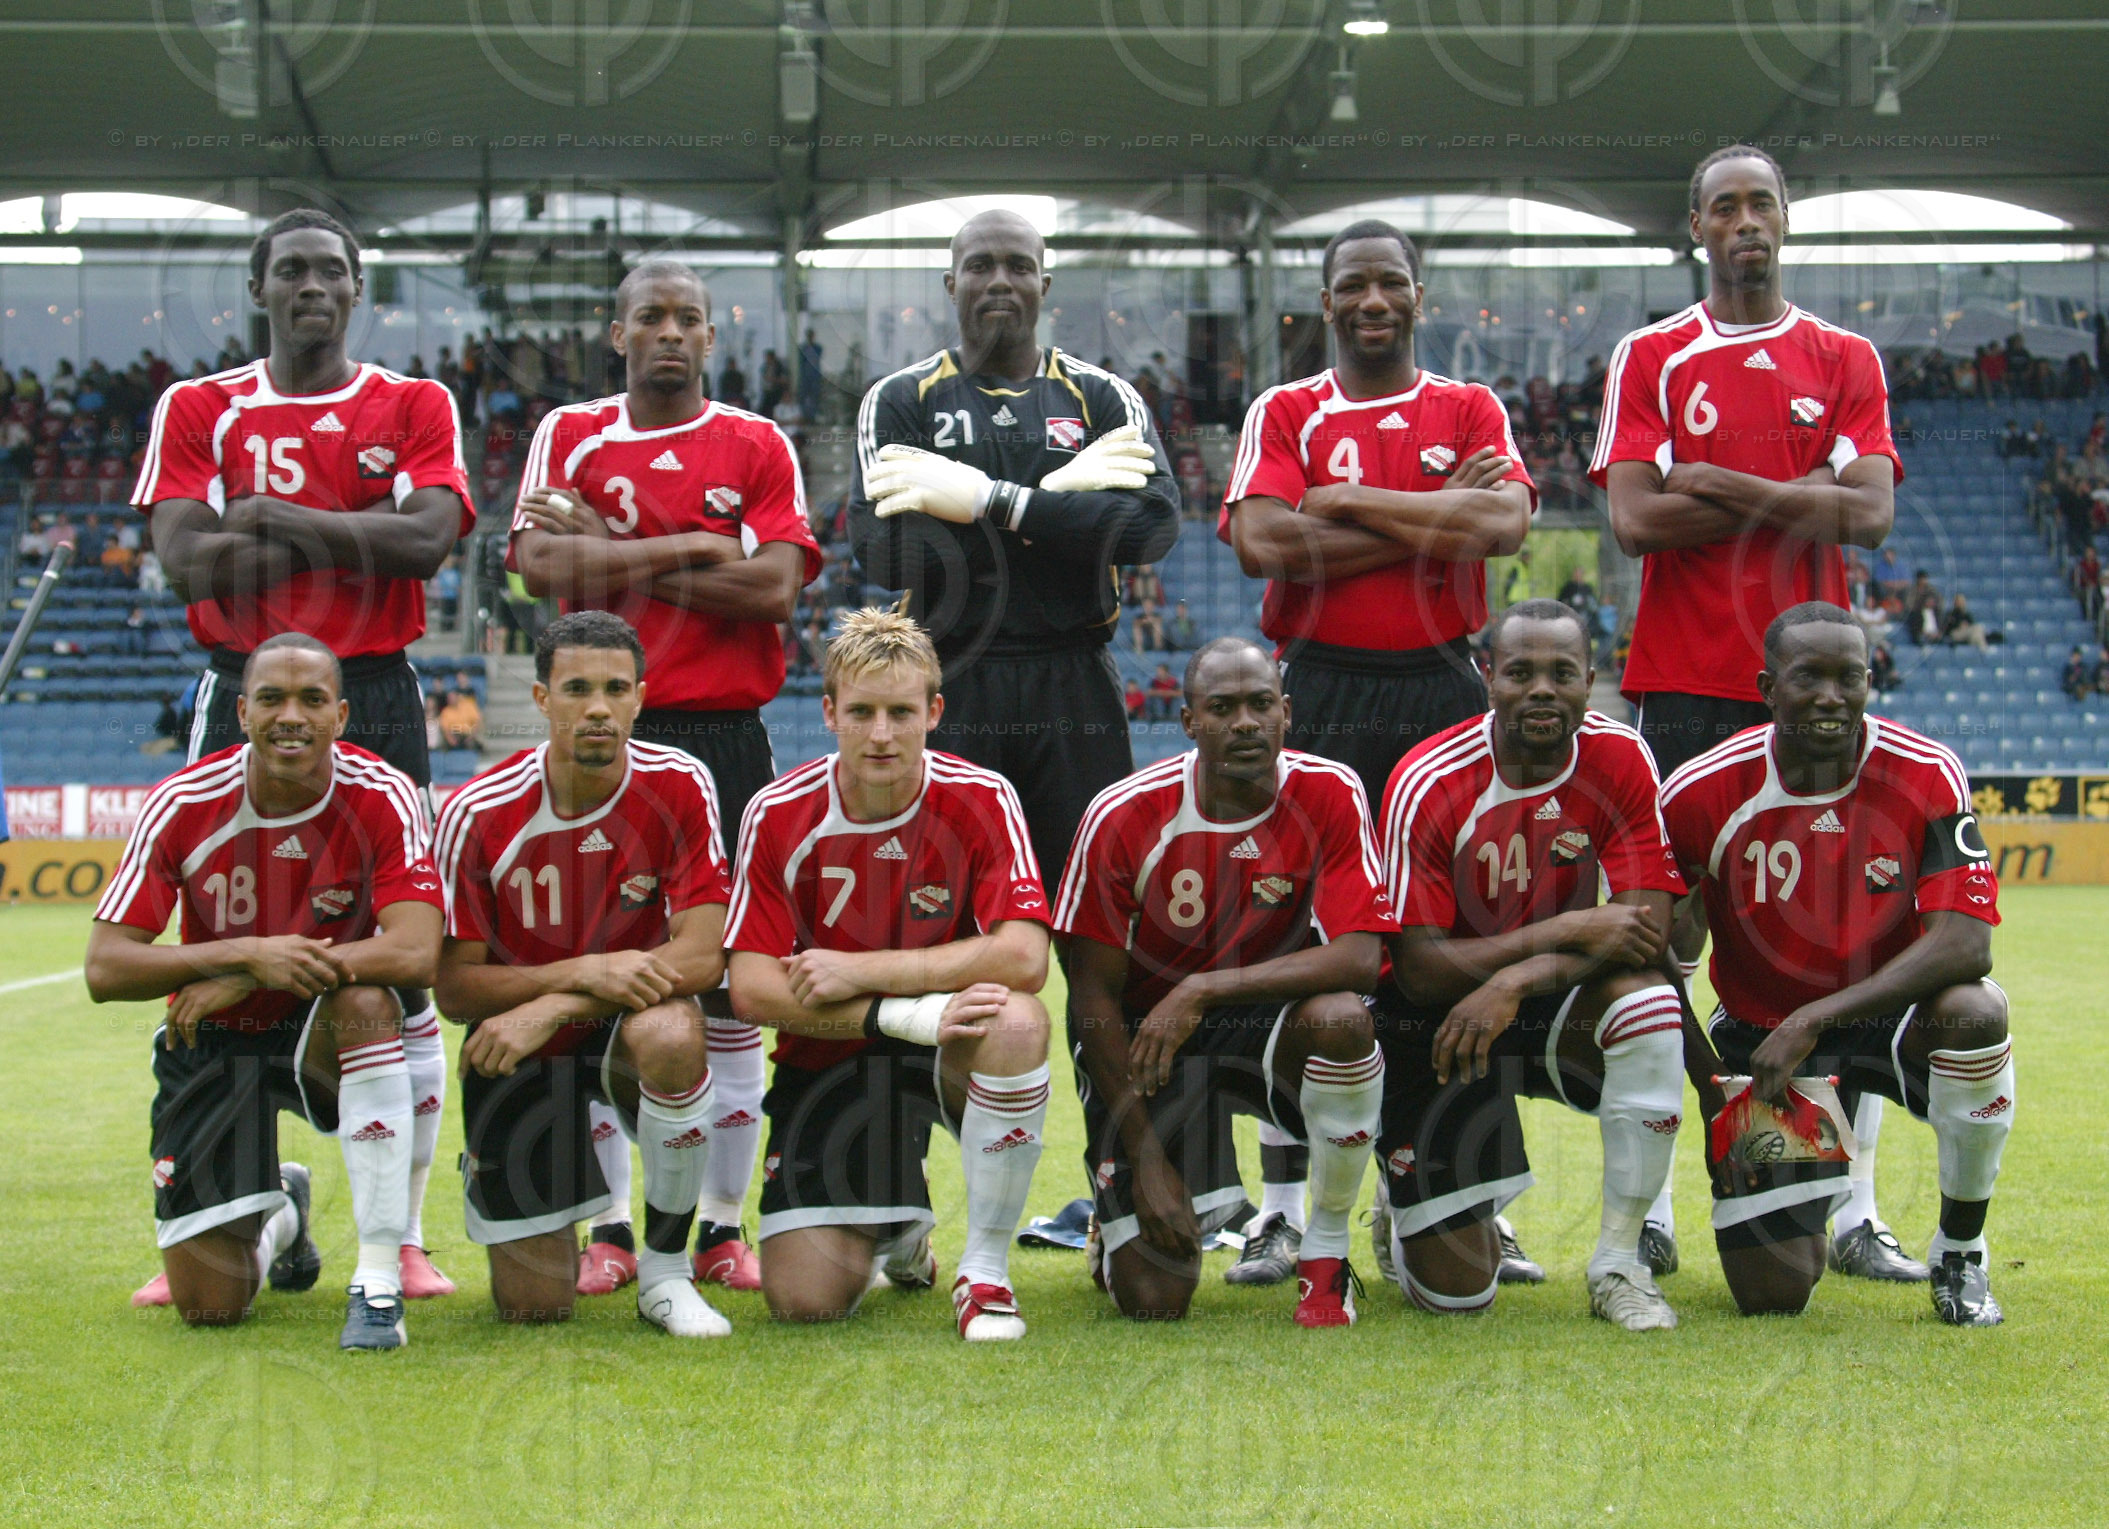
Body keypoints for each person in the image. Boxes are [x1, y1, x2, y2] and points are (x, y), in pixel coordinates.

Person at [129, 210, 471, 1296]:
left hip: (375, 689)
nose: (312, 284)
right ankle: (221, 1200)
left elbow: (428, 542)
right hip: (242, 684)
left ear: (357, 287)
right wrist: (355, 524)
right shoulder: (199, 405)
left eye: (331, 269)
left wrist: (269, 514)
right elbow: (187, 563)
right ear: (259, 287)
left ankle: (401, 1232)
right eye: (292, 270)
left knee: (402, 963)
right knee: (213, 947)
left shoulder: (413, 402)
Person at [1588, 147, 1904, 1275]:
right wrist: (1802, 496)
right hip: (1683, 684)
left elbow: (1869, 513)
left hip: (1817, 690)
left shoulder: (1844, 355)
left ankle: (1854, 1207)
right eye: (1723, 207)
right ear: (1697, 227)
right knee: (1665, 937)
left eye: (1760, 203)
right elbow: (1636, 520)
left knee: (1842, 935)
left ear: (1785, 220)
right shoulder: (1652, 355)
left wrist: (1715, 481)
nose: (1744, 222)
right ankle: (1661, 1201)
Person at [1221, 216, 1533, 1279]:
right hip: (1314, 684)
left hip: (1442, 685)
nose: (1372, 300)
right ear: (1325, 301)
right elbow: (1264, 538)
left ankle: (1459, 1195)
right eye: (1352, 284)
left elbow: (1501, 528)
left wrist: (1348, 499)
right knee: (1292, 924)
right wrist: (1438, 512)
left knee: (1451, 930)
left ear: (1417, 295)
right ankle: (1281, 1207)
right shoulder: (1286, 409)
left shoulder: (1469, 404)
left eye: (1390, 282)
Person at [511, 258, 821, 1293]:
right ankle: (610, 1226)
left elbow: (772, 589)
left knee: (727, 987)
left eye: (690, 317)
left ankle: (722, 1226)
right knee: (603, 975)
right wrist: (694, 544)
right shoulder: (570, 432)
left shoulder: (757, 441)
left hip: (726, 738)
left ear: (712, 337)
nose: (671, 332)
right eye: (652, 316)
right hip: (605, 737)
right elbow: (542, 569)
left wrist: (617, 547)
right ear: (619, 333)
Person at [82, 634, 444, 1348]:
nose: (291, 716)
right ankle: (283, 1213)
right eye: (272, 699)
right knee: (210, 1305)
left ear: (340, 715)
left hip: (323, 1027)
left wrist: (250, 971)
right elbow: (105, 968)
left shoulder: (382, 792)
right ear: (242, 712)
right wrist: (246, 955)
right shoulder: (183, 800)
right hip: (216, 1038)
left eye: (312, 699)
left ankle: (377, 1279)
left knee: (369, 1004)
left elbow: (415, 950)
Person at [1660, 602, 2013, 1325]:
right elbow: (1653, 944)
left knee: (1975, 1012)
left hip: (1887, 1024)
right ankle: (1804, 1189)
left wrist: (1815, 1019)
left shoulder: (1926, 771)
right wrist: (1707, 1079)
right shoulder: (1700, 790)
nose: (1831, 695)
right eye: (1808, 678)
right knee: (1772, 1292)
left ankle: (1960, 1252)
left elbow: (1965, 943)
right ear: (1767, 689)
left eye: (1848, 677)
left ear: (1868, 681)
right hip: (1765, 1044)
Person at [725, 608, 1053, 1340]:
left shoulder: (982, 796)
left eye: (901, 713)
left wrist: (861, 970)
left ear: (933, 712)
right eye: (862, 712)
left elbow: (1025, 956)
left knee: (1016, 1022)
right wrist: (893, 1013)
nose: (881, 734)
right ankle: (901, 1224)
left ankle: (985, 1272)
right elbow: (750, 987)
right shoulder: (777, 813)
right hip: (833, 1053)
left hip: (949, 1044)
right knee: (804, 1303)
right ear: (829, 712)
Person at [1365, 601, 1690, 1329]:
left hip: (1546, 999)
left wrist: (1515, 979)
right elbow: (1419, 969)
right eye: (1520, 672)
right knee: (1457, 1298)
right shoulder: (1428, 777)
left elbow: (1645, 931)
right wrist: (1569, 925)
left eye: (1561, 673)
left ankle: (1620, 1264)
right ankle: (1402, 1195)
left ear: (1590, 681)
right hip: (1437, 1019)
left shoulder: (1620, 756)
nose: (1541, 689)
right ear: (1488, 677)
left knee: (1646, 1002)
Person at [1056, 637, 1393, 1325]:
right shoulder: (1122, 814)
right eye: (1221, 708)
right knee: (1155, 1301)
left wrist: (1203, 989)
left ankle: (1325, 1254)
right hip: (1149, 1041)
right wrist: (1146, 1158)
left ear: (1285, 711)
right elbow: (1091, 998)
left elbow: (1361, 956)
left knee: (1343, 1019)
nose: (1244, 723)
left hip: (1263, 1023)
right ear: (1188, 721)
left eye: (1260, 704)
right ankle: (1112, 1213)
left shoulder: (1330, 790)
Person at [848, 208, 1181, 889]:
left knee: (1091, 895)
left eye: (1018, 266)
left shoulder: (1101, 396)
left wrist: (981, 499)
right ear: (951, 284)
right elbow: (883, 551)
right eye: (980, 265)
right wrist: (1062, 503)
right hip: (952, 676)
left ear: (1044, 285)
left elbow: (1150, 529)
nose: (999, 280)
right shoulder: (901, 399)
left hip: (1074, 677)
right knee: (942, 893)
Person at [433, 612, 734, 1337]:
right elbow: (455, 990)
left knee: (673, 1032)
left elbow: (703, 954)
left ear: (639, 697)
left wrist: (562, 1000)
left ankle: (665, 1272)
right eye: (576, 689)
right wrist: (587, 972)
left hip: (624, 1024)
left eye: (615, 689)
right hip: (516, 1047)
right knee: (533, 1307)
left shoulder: (680, 782)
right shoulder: (477, 810)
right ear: (542, 698)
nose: (598, 707)